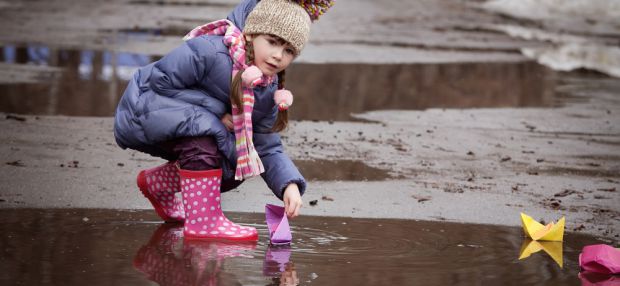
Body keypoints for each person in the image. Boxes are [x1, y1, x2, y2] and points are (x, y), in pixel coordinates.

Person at [113, 0, 334, 241]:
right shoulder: (210, 51)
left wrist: (289, 185)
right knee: (205, 136)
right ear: (251, 33)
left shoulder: (266, 90)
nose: (278, 55)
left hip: (183, 122)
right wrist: (216, 112)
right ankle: (204, 222)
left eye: (289, 51)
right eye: (272, 42)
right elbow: (159, 81)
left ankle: (159, 184)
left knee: (239, 161)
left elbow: (266, 146)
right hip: (143, 109)